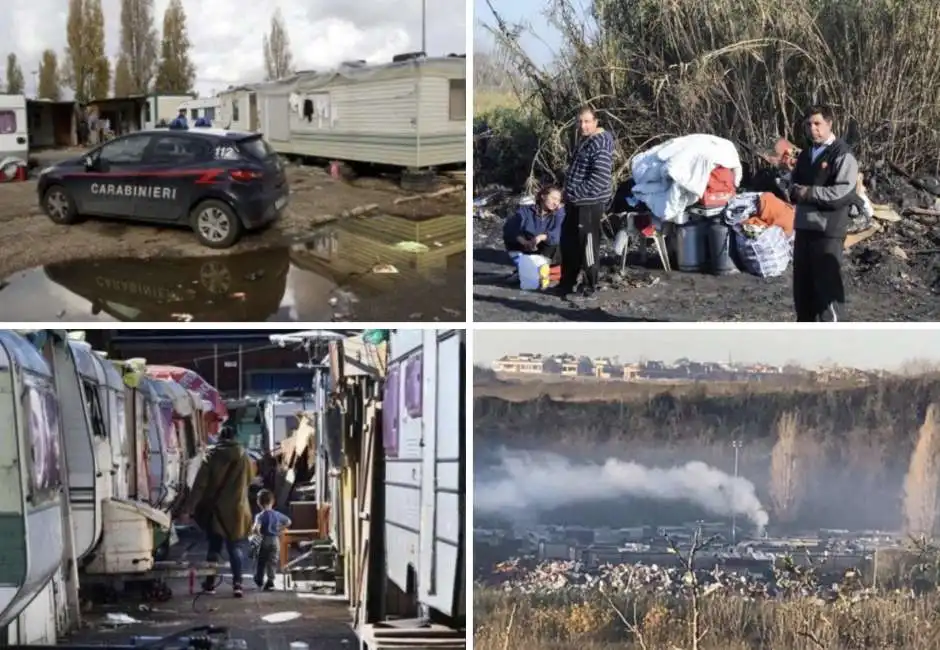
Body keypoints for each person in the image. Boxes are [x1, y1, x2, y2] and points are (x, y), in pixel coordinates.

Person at [789, 105, 859, 322]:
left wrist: (808, 193)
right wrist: (792, 190)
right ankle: (806, 345)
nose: (813, 129)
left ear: (829, 124)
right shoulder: (805, 155)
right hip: (804, 229)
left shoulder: (842, 154)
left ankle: (835, 344)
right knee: (803, 291)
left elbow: (842, 193)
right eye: (809, 124)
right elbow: (792, 186)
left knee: (827, 292)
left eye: (818, 123)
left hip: (828, 231)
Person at [185, 423, 253, 598]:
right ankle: (238, 585)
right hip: (238, 509)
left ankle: (210, 584)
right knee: (235, 547)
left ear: (220, 438)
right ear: (234, 438)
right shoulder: (244, 456)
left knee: (214, 547)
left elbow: (200, 485)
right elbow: (250, 478)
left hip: (216, 510)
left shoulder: (212, 456)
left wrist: (189, 508)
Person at [559, 106, 615, 298]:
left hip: (589, 204)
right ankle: (567, 282)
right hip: (575, 202)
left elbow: (599, 178)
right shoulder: (586, 141)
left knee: (588, 245)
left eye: (587, 121)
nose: (583, 126)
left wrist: (575, 192)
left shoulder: (600, 144)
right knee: (569, 242)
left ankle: (591, 286)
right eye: (580, 122)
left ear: (595, 122)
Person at [503, 185, 565, 265]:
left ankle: (544, 265)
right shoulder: (526, 211)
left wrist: (541, 237)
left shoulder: (559, 214)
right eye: (553, 198)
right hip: (525, 246)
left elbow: (557, 234)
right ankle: (520, 262)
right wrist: (524, 242)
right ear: (543, 196)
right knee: (511, 234)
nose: (556, 203)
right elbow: (510, 228)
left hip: (545, 250)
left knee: (556, 243)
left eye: (558, 200)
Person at [250, 489, 291, 591]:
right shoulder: (277, 514)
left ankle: (259, 579)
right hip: (275, 540)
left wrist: (256, 534)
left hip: (264, 540)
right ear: (273, 502)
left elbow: (257, 528)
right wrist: (280, 529)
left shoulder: (260, 516)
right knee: (272, 561)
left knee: (261, 561)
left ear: (259, 503)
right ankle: (270, 581)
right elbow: (288, 521)